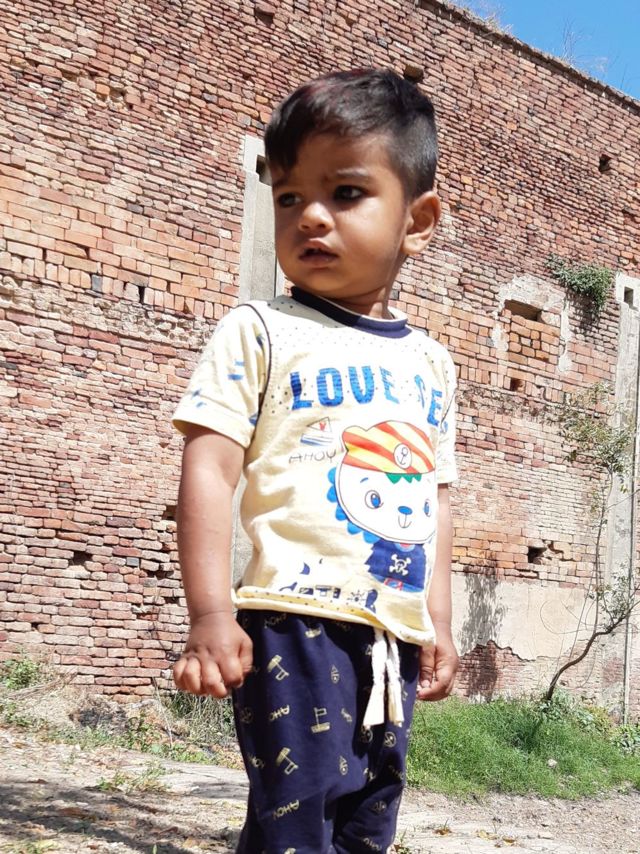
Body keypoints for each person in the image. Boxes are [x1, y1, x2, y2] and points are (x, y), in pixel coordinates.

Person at [171, 68, 459, 853]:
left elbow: (433, 497)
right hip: (293, 621)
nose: (311, 217)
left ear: (417, 221)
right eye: (290, 196)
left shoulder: (431, 364)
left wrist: (436, 618)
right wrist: (210, 611)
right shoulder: (260, 330)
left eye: (347, 193)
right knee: (298, 823)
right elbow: (210, 466)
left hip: (391, 636)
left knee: (368, 820)